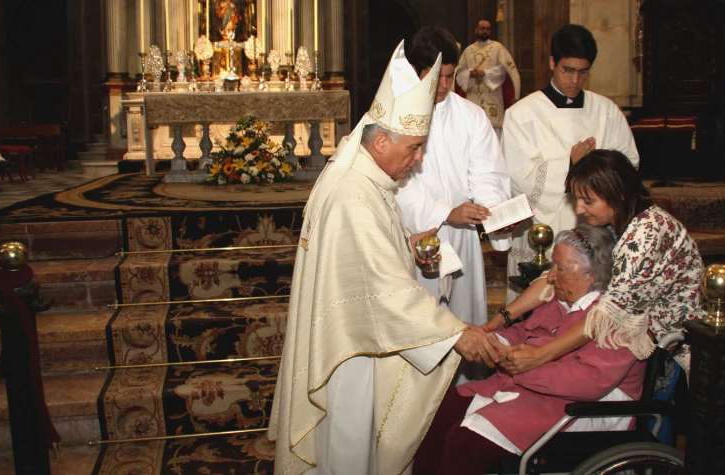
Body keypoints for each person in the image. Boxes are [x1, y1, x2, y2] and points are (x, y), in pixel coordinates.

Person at [268, 40, 507, 475]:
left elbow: (370, 253)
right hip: (350, 353)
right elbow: (383, 290)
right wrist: (457, 335)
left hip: (352, 336)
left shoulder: (362, 176)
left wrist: (408, 242)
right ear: (380, 140)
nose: (418, 160)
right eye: (414, 148)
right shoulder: (352, 196)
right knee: (349, 444)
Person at [413, 225, 646, 475]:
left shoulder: (617, 317)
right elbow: (524, 333)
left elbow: (587, 380)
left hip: (580, 407)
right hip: (539, 391)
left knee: (466, 442)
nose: (551, 276)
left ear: (591, 275)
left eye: (561, 269)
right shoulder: (563, 299)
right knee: (444, 408)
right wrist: (491, 340)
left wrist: (518, 366)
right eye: (553, 265)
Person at [486, 149, 705, 380]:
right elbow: (553, 276)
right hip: (625, 332)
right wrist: (501, 319)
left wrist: (541, 355)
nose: (579, 209)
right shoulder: (613, 219)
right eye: (577, 199)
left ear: (618, 194)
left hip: (667, 347)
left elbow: (609, 315)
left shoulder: (648, 232)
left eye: (588, 201)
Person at [395, 27, 513, 384]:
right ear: (415, 70)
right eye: (435, 76)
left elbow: (488, 173)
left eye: (449, 76)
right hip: (414, 237)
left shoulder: (470, 115)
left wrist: (493, 212)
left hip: (461, 240)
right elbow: (396, 182)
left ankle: (462, 402)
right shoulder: (394, 114)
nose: (444, 85)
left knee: (464, 327)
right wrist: (446, 211)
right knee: (420, 335)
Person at [502, 24, 639, 304]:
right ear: (552, 62)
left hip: (596, 233)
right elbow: (519, 177)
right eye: (568, 70)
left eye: (583, 71)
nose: (575, 80)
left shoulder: (607, 112)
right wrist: (571, 165)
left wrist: (592, 173)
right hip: (542, 231)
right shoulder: (522, 114)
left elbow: (629, 166)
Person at [455, 20, 521, 138]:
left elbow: (503, 70)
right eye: (482, 28)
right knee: (473, 130)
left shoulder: (497, 48)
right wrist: (470, 74)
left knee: (493, 135)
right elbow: (458, 73)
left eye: (487, 29)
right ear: (476, 30)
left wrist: (484, 73)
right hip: (473, 98)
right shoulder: (468, 50)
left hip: (492, 98)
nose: (485, 31)